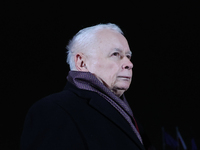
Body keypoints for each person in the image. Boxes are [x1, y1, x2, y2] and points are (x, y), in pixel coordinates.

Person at [21, 23, 152, 150]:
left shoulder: (127, 116)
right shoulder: (53, 110)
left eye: (128, 56)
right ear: (82, 62)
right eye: (115, 54)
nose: (129, 63)